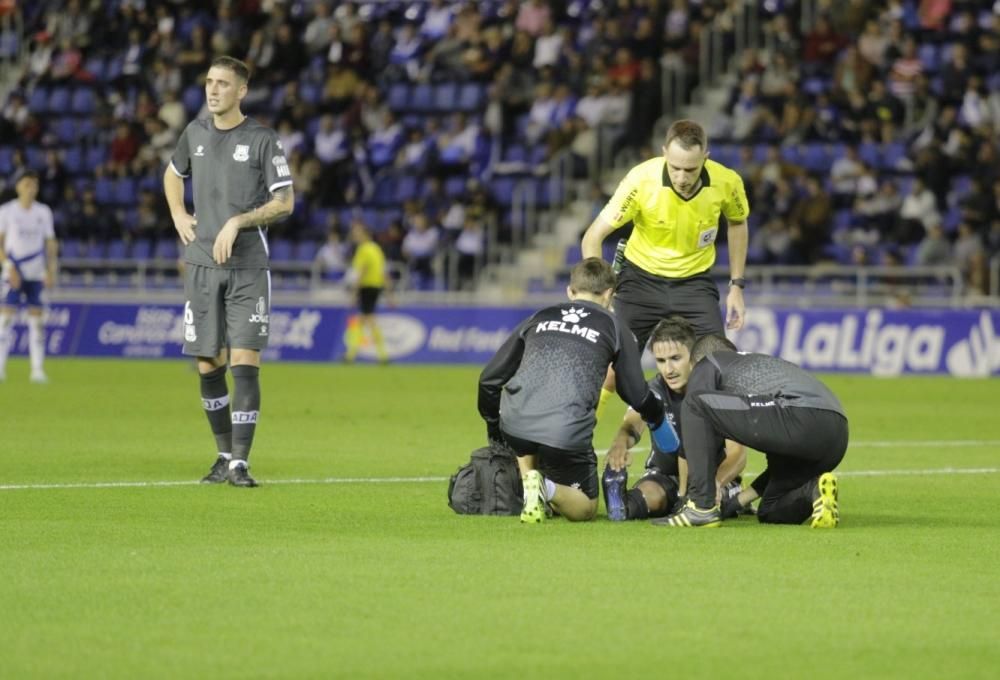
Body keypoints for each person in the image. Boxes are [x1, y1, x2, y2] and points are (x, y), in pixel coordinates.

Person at [163, 56, 294, 488]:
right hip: (201, 263)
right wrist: (180, 214)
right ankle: (222, 456)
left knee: (244, 360)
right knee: (207, 362)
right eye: (208, 82)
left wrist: (237, 221)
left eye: (222, 83)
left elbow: (285, 201)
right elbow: (172, 174)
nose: (212, 89)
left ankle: (240, 462)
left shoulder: (262, 140)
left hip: (247, 265)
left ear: (242, 91)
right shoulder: (194, 133)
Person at [478, 258, 679, 524]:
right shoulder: (616, 327)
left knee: (528, 413)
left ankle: (529, 478)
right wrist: (657, 418)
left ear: (570, 292)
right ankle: (542, 487)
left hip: (515, 428)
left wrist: (496, 430)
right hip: (564, 433)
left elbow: (489, 380)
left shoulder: (539, 316)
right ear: (609, 294)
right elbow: (635, 393)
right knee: (586, 508)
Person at [581, 120, 750, 417]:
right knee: (610, 369)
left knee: (718, 365)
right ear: (663, 154)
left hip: (694, 284)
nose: (682, 177)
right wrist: (597, 297)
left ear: (705, 158)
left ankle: (709, 446)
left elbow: (738, 222)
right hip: (638, 281)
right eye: (675, 167)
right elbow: (593, 237)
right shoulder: (641, 180)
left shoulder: (727, 182)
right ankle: (572, 435)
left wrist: (737, 285)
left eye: (690, 169)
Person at [658, 335, 848, 528]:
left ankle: (700, 509)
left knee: (694, 404)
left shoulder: (709, 361)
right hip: (837, 434)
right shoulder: (761, 365)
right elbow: (776, 472)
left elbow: (698, 416)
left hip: (797, 413)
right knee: (771, 510)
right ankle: (814, 491)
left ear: (694, 363)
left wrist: (693, 492)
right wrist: (734, 503)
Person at [602, 316, 747, 520]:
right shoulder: (654, 390)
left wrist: (716, 482)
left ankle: (720, 497)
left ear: (693, 356)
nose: (668, 370)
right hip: (664, 475)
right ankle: (621, 503)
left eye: (675, 358)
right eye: (661, 361)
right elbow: (632, 424)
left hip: (710, 477)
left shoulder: (715, 390)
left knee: (715, 502)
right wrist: (619, 445)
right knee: (644, 502)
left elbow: (737, 454)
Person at [0, 170, 57, 384]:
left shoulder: (43, 212)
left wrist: (50, 270)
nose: (30, 188)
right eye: (26, 184)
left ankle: (37, 370)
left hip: (36, 273)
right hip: (14, 271)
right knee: (4, 320)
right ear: (18, 187)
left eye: (34, 184)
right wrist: (8, 266)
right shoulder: (6, 212)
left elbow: (50, 243)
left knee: (37, 322)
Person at [343, 219, 389, 364]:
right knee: (363, 320)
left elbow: (362, 271)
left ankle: (383, 355)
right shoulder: (377, 248)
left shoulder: (363, 249)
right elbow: (383, 272)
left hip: (367, 287)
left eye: (357, 233)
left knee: (368, 320)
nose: (354, 236)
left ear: (365, 234)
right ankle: (351, 355)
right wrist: (389, 292)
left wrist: (354, 292)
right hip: (376, 287)